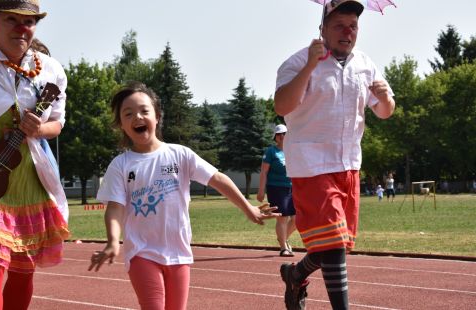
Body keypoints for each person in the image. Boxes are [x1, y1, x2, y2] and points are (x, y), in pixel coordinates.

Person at [87, 82, 280, 310]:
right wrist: (112, 241)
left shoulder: (180, 155)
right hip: (142, 253)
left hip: (179, 254)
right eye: (128, 114)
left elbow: (217, 179)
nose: (137, 117)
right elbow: (115, 208)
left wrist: (249, 208)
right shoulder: (120, 165)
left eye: (144, 111)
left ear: (157, 116)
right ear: (121, 125)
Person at [273, 0, 395, 309]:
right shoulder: (297, 62)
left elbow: (384, 112)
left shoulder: (365, 64)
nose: (347, 32)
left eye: (353, 26)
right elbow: (282, 106)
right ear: (323, 29)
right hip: (311, 164)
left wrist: (384, 99)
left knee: (336, 243)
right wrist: (310, 66)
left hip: (348, 164)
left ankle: (295, 274)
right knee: (334, 243)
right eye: (339, 25)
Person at [0, 1, 69, 309]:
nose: (22, 28)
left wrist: (38, 129)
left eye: (30, 21)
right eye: (12, 19)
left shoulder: (51, 69)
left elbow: (57, 123)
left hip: (26, 175)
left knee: (23, 269)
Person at [257, 124, 297, 257]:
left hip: (293, 188)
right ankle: (283, 248)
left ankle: (283, 239)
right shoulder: (271, 151)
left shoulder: (293, 150)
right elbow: (263, 172)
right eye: (279, 134)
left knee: (298, 219)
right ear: (275, 137)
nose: (282, 136)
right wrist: (261, 191)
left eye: (284, 133)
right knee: (282, 218)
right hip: (276, 188)